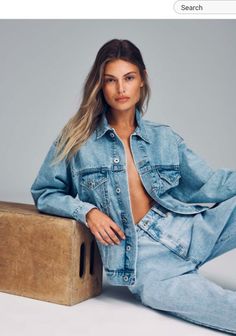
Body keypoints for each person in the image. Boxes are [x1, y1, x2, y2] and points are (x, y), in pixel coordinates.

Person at [31, 38, 236, 334]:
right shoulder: (76, 141)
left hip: (189, 230)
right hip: (145, 260)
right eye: (110, 80)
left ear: (142, 80)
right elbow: (45, 192)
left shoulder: (164, 137)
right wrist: (87, 212)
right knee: (226, 310)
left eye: (129, 78)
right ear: (100, 86)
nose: (121, 89)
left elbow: (211, 184)